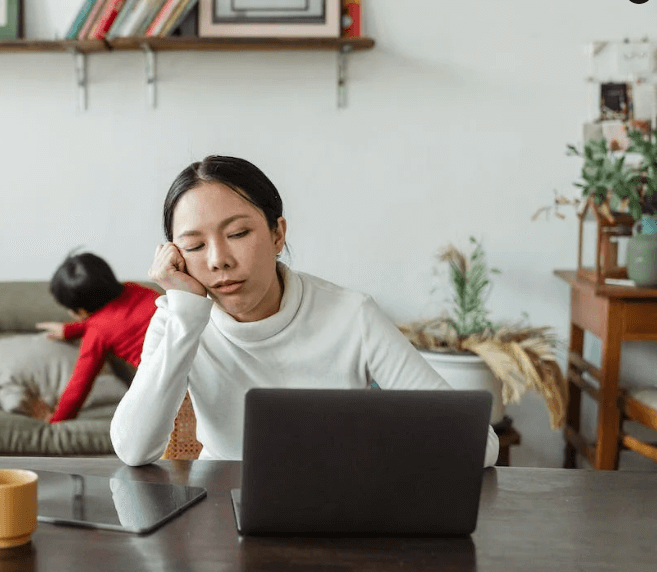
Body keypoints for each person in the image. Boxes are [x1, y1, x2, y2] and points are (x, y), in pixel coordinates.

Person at [110, 155, 499, 467]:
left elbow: (478, 445)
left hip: (337, 508)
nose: (218, 261)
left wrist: (370, 453)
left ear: (278, 233)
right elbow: (133, 449)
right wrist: (186, 315)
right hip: (220, 513)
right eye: (194, 246)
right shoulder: (179, 318)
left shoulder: (352, 315)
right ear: (174, 256)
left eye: (238, 234)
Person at [34, 252, 160, 423]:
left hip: (165, 382)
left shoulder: (97, 334)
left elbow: (79, 386)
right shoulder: (135, 288)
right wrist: (71, 330)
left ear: (81, 311)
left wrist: (57, 419)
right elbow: (118, 318)